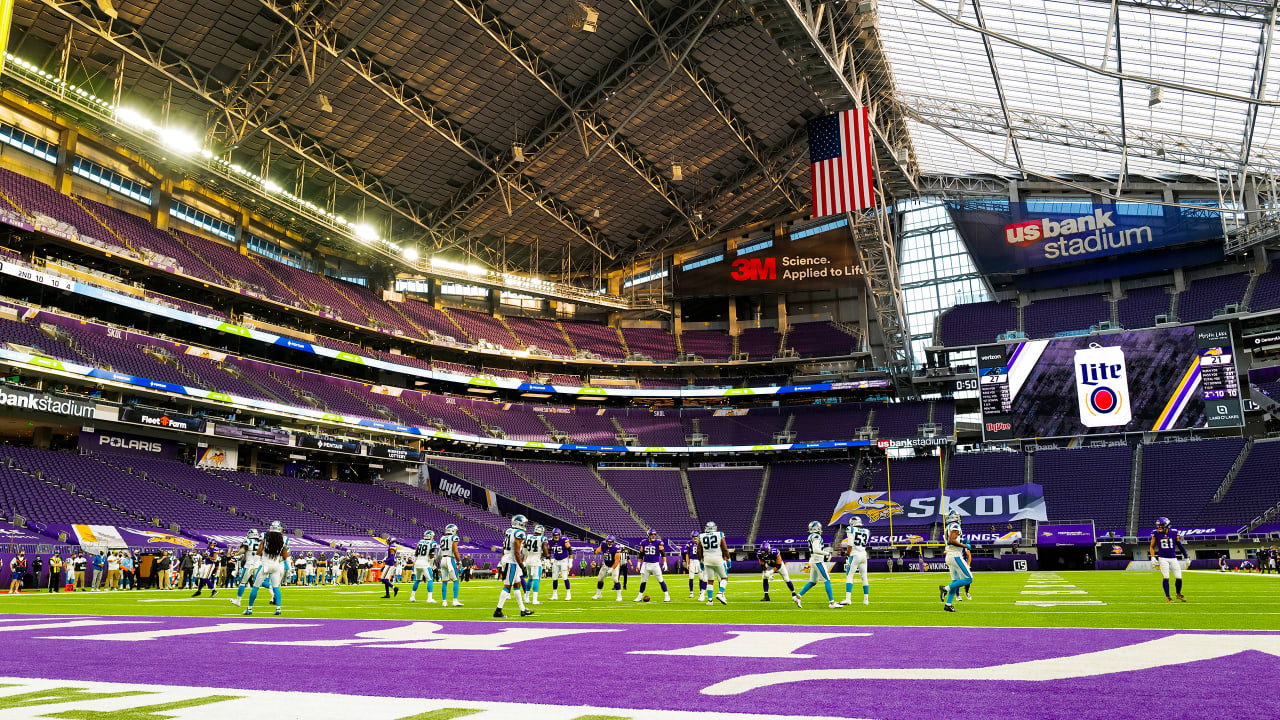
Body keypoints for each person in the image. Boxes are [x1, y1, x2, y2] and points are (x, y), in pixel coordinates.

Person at [244, 521, 289, 616]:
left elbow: (259, 551)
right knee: (276, 588)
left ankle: (249, 608)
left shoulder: (265, 536)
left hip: (265, 565)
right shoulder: (284, 539)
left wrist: (253, 563)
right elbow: (285, 555)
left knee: (255, 587)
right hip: (276, 566)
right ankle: (278, 608)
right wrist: (289, 567)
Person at [494, 514, 534, 618]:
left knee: (517, 584)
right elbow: (516, 552)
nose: (525, 525)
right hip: (512, 561)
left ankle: (522, 609)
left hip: (508, 559)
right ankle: (498, 611)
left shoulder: (509, 531)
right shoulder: (519, 533)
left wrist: (503, 559)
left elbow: (504, 546)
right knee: (507, 586)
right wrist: (522, 566)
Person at [796, 520, 838, 609]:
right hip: (817, 561)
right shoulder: (816, 536)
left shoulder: (811, 536)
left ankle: (798, 596)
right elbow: (816, 550)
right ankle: (832, 603)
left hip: (814, 560)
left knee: (813, 582)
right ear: (817, 528)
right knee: (827, 580)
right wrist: (826, 553)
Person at [939, 511, 973, 612]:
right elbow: (951, 541)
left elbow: (953, 540)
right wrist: (965, 546)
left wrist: (962, 540)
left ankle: (948, 605)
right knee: (969, 579)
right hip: (955, 556)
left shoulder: (949, 526)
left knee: (955, 581)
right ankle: (945, 588)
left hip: (950, 555)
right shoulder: (955, 525)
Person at [1149, 516, 1187, 602]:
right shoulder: (1156, 533)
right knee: (1166, 577)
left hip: (1173, 558)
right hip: (1163, 558)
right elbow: (1151, 546)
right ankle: (1168, 597)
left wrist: (1186, 555)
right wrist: (1152, 556)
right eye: (1158, 525)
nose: (1159, 527)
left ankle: (1178, 594)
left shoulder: (1174, 532)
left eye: (1161, 525)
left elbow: (1179, 545)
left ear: (1167, 525)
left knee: (1179, 577)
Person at [840, 517, 872, 606]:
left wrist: (847, 554)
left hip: (855, 554)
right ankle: (866, 600)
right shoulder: (867, 531)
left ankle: (848, 599)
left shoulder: (851, 529)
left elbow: (850, 543)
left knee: (849, 576)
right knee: (864, 577)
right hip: (863, 554)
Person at [697, 521, 730, 606]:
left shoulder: (701, 536)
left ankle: (710, 600)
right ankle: (720, 593)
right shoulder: (719, 534)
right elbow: (725, 549)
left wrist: (700, 561)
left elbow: (699, 550)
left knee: (710, 580)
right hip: (718, 559)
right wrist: (728, 559)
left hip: (707, 560)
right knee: (725, 578)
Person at [634, 529, 670, 602]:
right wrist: (638, 564)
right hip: (646, 564)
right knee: (643, 581)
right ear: (648, 535)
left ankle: (667, 596)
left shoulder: (658, 542)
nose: (653, 536)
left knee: (660, 580)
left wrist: (665, 563)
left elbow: (663, 553)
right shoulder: (644, 542)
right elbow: (641, 554)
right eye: (652, 535)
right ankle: (639, 596)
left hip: (655, 565)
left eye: (654, 534)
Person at [231, 530, 262, 607]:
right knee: (258, 583)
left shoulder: (248, 541)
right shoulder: (260, 542)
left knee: (242, 583)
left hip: (249, 564)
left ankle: (238, 601)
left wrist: (236, 555)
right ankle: (272, 590)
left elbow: (242, 550)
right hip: (258, 564)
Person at [438, 523, 463, 607]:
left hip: (443, 559)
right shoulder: (454, 537)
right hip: (450, 559)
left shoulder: (442, 538)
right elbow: (455, 550)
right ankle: (455, 601)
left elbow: (439, 552)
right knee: (456, 580)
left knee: (444, 581)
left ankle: (444, 601)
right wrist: (459, 561)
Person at [592, 535, 624, 602]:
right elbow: (599, 549)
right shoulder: (603, 544)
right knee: (600, 579)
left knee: (615, 579)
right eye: (608, 542)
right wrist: (595, 552)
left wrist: (612, 569)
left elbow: (617, 560)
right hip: (606, 565)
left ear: (613, 542)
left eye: (611, 542)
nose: (609, 543)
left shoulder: (616, 548)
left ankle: (619, 596)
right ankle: (598, 594)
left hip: (614, 565)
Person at [410, 530, 438, 603]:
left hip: (418, 562)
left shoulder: (420, 542)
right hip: (424, 562)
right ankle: (429, 598)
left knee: (418, 580)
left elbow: (416, 553)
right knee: (430, 579)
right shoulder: (432, 543)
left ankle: (412, 597)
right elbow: (431, 555)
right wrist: (431, 558)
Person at [523, 524, 546, 605]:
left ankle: (526, 598)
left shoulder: (528, 536)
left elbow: (524, 548)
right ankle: (535, 600)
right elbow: (545, 550)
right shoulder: (542, 538)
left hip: (528, 560)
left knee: (530, 579)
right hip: (536, 560)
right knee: (536, 579)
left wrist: (528, 554)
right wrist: (544, 556)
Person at [548, 528, 573, 600]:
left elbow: (570, 551)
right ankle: (554, 595)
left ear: (559, 535)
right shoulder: (550, 541)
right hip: (556, 560)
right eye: (555, 535)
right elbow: (549, 551)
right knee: (554, 578)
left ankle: (568, 594)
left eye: (557, 535)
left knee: (565, 577)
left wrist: (570, 561)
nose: (556, 536)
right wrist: (548, 559)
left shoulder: (564, 540)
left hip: (564, 560)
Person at [683, 531, 704, 599]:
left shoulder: (701, 543)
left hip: (699, 561)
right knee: (691, 577)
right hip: (692, 561)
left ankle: (701, 592)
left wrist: (703, 561)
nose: (695, 538)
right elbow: (687, 554)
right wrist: (687, 563)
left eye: (696, 536)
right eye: (694, 537)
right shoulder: (689, 543)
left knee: (701, 577)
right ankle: (691, 592)